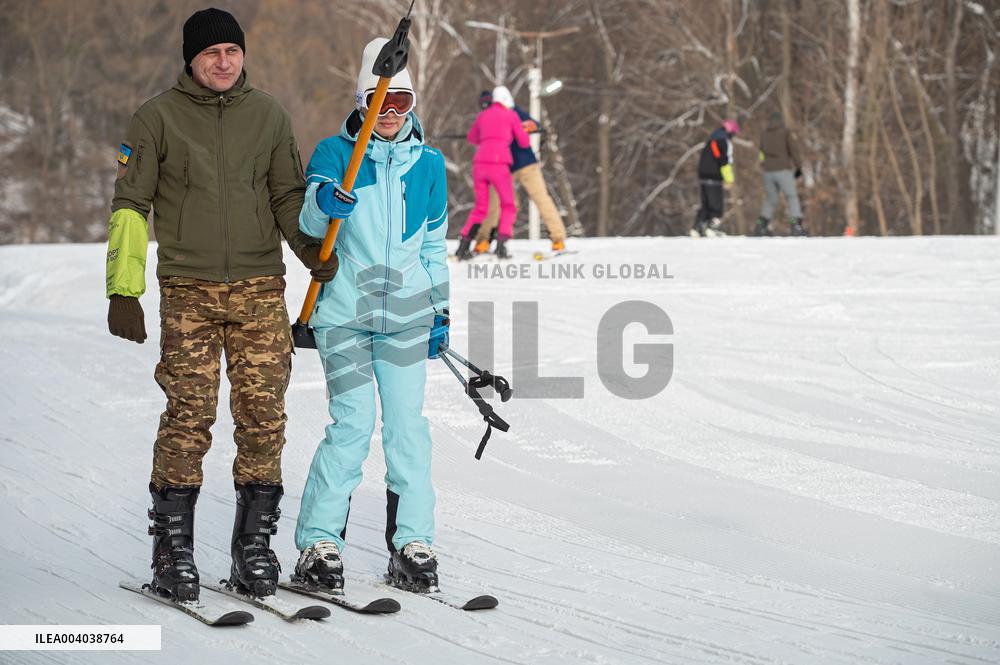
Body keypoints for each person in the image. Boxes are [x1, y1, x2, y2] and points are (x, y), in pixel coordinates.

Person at [104, 8, 338, 602]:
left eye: (232, 50)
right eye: (211, 52)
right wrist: (123, 288)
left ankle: (254, 548)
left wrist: (310, 249)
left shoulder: (269, 115)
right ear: (191, 58)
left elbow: (287, 194)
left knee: (264, 418)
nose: (223, 61)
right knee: (189, 417)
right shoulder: (155, 118)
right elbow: (130, 204)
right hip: (189, 290)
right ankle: (172, 553)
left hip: (260, 288)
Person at [292, 38, 450, 594]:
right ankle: (319, 543)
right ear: (363, 101)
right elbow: (310, 222)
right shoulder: (336, 153)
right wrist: (324, 202)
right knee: (353, 426)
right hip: (345, 318)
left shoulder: (430, 166)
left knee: (408, 430)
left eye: (401, 103)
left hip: (407, 316)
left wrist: (440, 311)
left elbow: (433, 248)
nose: (391, 113)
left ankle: (412, 542)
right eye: (381, 102)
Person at [472, 90, 568, 255]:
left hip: (525, 165)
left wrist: (521, 128)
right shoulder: (489, 117)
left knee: (541, 199)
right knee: (494, 205)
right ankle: (484, 241)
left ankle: (558, 239)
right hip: (502, 168)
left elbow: (535, 125)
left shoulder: (513, 111)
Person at [455, 85, 531, 260]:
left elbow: (472, 138)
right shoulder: (511, 115)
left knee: (481, 207)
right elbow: (524, 142)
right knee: (508, 205)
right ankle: (501, 247)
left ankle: (463, 246)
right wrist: (521, 130)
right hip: (499, 164)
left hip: (480, 164)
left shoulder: (483, 114)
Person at [755, 112, 807, 236]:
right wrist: (799, 167)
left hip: (768, 171)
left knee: (771, 199)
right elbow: (794, 150)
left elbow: (761, 152)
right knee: (791, 197)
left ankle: (760, 225)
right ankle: (795, 225)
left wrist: (763, 164)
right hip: (783, 170)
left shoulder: (764, 134)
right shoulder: (786, 133)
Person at [691, 119, 740, 237]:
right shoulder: (725, 142)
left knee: (705, 204)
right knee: (717, 206)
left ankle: (697, 227)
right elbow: (725, 162)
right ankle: (711, 228)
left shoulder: (711, 139)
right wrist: (729, 179)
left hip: (702, 175)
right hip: (714, 177)